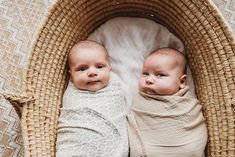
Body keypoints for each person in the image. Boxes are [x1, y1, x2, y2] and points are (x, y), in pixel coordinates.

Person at [127, 47, 208, 157]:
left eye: (160, 75)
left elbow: (195, 135)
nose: (149, 80)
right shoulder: (140, 100)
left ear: (182, 81)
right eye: (145, 73)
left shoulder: (187, 106)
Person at [56, 40, 129, 157]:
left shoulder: (115, 87)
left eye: (99, 67)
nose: (92, 72)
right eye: (82, 69)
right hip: (76, 145)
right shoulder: (72, 91)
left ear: (109, 68)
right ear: (71, 74)